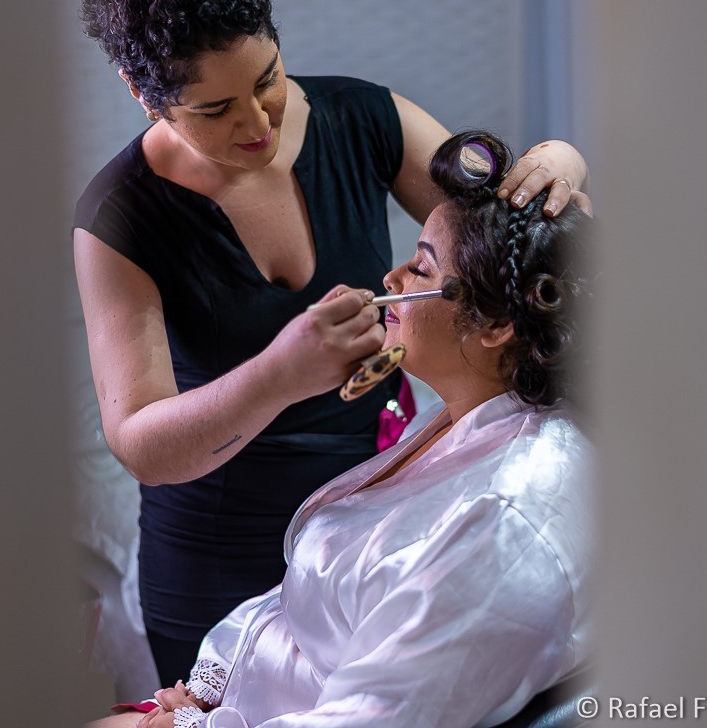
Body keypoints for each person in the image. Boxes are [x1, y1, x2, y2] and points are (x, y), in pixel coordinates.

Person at [74, 0, 591, 684]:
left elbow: (513, 249)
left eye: (268, 80)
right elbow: (140, 444)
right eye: (215, 110)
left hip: (377, 528)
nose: (258, 124)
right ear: (142, 94)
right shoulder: (119, 218)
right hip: (215, 563)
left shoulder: (369, 120)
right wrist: (278, 375)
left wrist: (560, 165)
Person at [90, 128, 596, 728]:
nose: (392, 279)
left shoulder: (505, 524)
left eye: (421, 266)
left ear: (496, 325)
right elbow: (310, 611)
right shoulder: (468, 421)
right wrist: (207, 692)